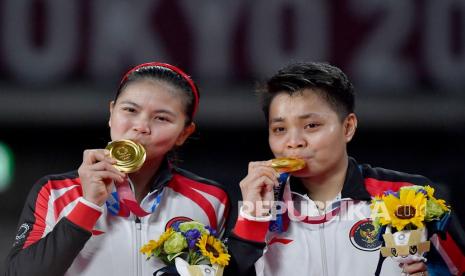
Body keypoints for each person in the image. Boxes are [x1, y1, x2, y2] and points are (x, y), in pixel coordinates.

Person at [226, 62, 465, 276]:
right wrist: (252, 219)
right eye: (280, 129)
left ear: (348, 127)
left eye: (311, 125)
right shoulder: (259, 206)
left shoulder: (411, 195)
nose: (294, 141)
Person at [4, 62, 230, 276]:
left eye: (161, 118)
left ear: (184, 133)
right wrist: (88, 205)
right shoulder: (55, 191)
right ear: (111, 113)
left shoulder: (211, 200)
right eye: (130, 110)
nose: (141, 126)